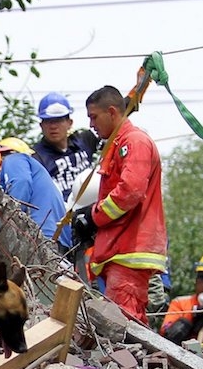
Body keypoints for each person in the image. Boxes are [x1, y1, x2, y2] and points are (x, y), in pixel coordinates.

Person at [71, 85, 167, 325]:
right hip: (122, 247)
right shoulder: (120, 143)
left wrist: (93, 216)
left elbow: (130, 192)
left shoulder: (134, 142)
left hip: (131, 247)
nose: (91, 125)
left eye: (94, 117)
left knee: (123, 325)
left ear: (112, 112)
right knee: (125, 322)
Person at [0, 136, 73, 253]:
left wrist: (5, 225)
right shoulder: (38, 176)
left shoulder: (13, 160)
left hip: (43, 240)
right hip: (59, 245)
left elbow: (21, 183)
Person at [32, 92, 99, 202]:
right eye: (48, 121)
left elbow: (111, 117)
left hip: (93, 208)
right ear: (41, 125)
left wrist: (134, 95)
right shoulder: (35, 158)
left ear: (69, 123)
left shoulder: (84, 140)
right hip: (62, 214)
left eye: (58, 120)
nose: (53, 126)